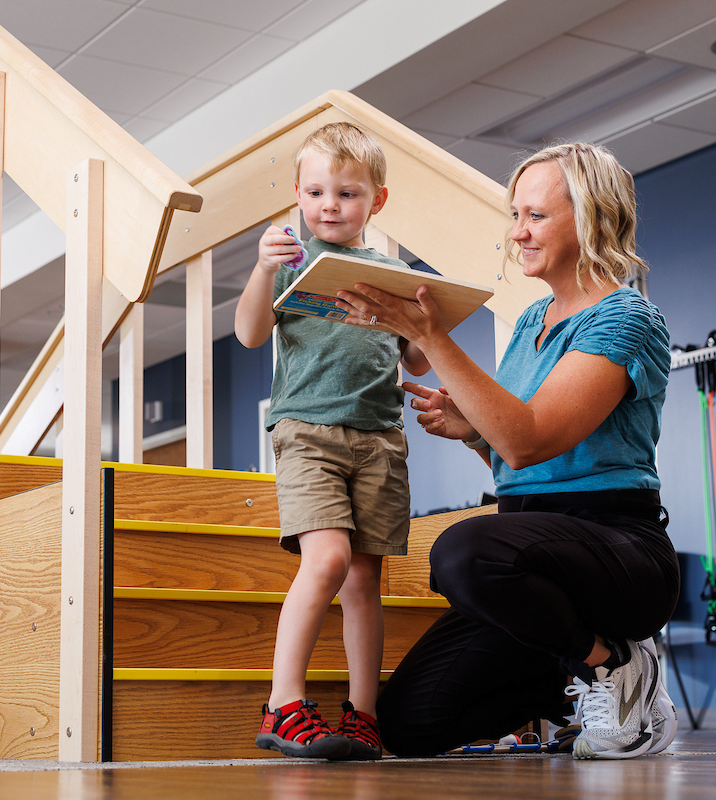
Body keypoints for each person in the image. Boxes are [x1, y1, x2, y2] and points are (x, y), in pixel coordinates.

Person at [333, 142, 679, 760]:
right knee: (411, 725)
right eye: (514, 215)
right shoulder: (531, 322)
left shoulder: (626, 319)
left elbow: (526, 440)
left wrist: (428, 335)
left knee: (462, 552)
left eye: (535, 216)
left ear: (592, 217)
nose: (517, 232)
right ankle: (561, 679)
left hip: (617, 550)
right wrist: (472, 432)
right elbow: (512, 459)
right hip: (532, 544)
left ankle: (620, 663)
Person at [234, 122, 431, 760]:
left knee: (364, 579)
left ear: (376, 201)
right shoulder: (290, 261)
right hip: (306, 431)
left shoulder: (391, 273)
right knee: (326, 560)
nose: (329, 206)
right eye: (316, 192)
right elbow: (248, 334)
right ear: (297, 193)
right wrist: (263, 269)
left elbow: (418, 361)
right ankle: (282, 703)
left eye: (347, 194)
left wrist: (423, 324)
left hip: (380, 438)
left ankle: (362, 716)